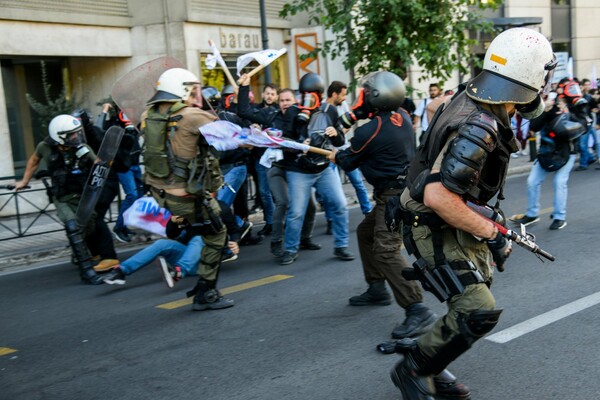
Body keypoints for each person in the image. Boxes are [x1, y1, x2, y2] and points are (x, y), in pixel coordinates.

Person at [390, 28, 557, 399]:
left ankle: (433, 362)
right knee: (476, 309)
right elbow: (438, 196)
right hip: (431, 223)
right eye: (544, 74)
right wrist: (494, 234)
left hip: (445, 219)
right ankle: (415, 368)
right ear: (532, 75)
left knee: (472, 294)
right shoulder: (479, 123)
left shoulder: (477, 95)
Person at [330, 70, 436, 340]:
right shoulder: (401, 118)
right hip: (400, 191)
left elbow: (347, 160)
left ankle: (417, 308)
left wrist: (336, 155)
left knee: (386, 250)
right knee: (366, 234)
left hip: (394, 196)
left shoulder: (369, 130)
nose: (361, 98)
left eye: (365, 93)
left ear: (376, 96)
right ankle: (377, 287)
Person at [141, 67, 233, 311]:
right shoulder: (192, 116)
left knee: (201, 225)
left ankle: (181, 223)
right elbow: (233, 137)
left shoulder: (149, 116)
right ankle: (207, 292)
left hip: (161, 194)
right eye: (193, 89)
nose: (197, 94)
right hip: (187, 196)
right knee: (217, 233)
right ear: (181, 91)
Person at [15, 115, 106, 285]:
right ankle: (87, 272)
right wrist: (24, 181)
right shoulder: (45, 147)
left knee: (88, 227)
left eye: (77, 133)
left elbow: (99, 165)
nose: (76, 137)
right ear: (59, 135)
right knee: (72, 226)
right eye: (72, 134)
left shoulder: (81, 147)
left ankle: (77, 249)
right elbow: (34, 160)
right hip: (62, 196)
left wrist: (103, 163)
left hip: (82, 196)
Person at [236, 78, 319, 259]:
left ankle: (305, 238)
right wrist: (244, 87)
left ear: (295, 101)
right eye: (282, 100)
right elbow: (244, 110)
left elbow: (317, 128)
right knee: (283, 201)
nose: (285, 104)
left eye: (288, 100)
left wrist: (307, 141)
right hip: (277, 167)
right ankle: (276, 241)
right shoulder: (270, 116)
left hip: (298, 169)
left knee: (310, 205)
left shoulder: (302, 116)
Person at [277, 72, 354, 265]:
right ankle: (290, 249)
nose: (308, 97)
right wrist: (300, 144)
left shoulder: (329, 111)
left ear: (319, 94)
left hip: (324, 167)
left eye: (312, 94)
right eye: (304, 94)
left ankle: (341, 245)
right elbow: (283, 141)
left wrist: (335, 133)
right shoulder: (293, 112)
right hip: (299, 170)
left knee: (339, 205)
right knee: (296, 212)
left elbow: (340, 140)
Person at [103, 200, 244, 286]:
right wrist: (173, 221)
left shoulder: (220, 208)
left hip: (207, 261)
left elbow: (234, 230)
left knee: (199, 238)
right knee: (161, 244)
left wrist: (234, 242)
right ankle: (121, 271)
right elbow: (172, 234)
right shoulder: (186, 212)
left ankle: (178, 272)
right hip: (189, 255)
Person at [511, 91, 585, 230]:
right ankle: (532, 214)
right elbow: (533, 127)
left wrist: (568, 113)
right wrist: (546, 110)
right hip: (546, 153)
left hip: (566, 153)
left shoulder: (572, 110)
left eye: (562, 99)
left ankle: (559, 217)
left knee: (559, 182)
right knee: (532, 182)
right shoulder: (547, 112)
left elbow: (581, 127)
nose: (559, 101)